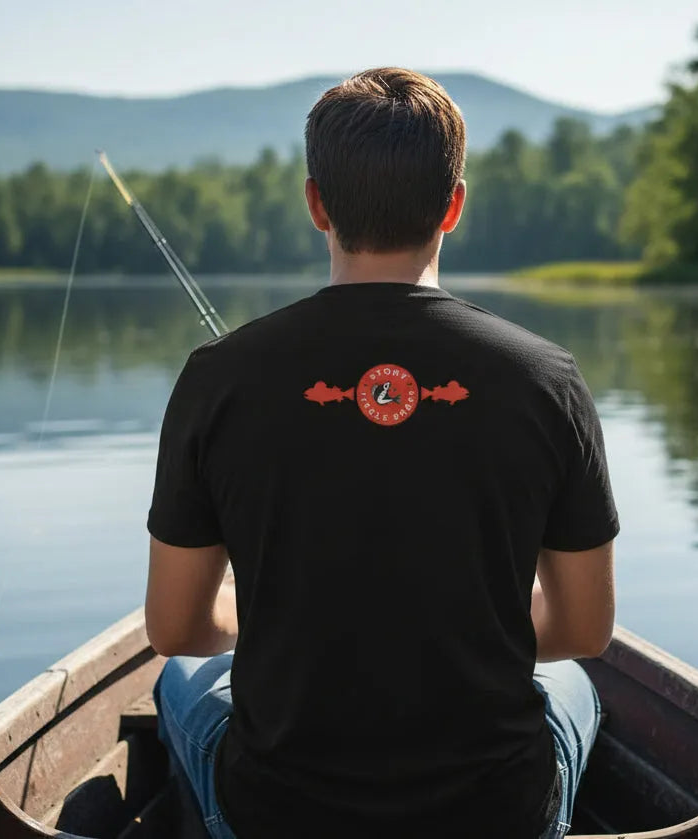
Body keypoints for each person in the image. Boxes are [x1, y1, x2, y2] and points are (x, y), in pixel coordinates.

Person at [146, 67, 619, 839]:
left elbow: (175, 627)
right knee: (575, 682)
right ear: (454, 205)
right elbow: (585, 628)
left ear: (315, 204)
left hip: (278, 816)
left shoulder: (218, 376)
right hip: (494, 817)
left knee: (174, 677)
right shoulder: (546, 377)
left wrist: (273, 621)